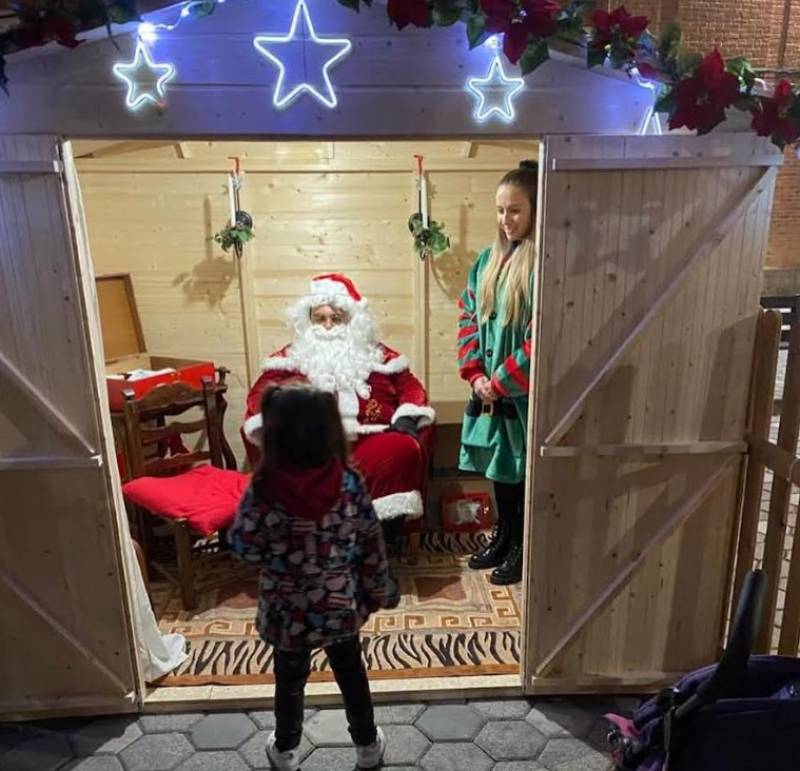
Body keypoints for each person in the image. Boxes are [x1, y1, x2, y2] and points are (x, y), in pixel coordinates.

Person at [228, 385, 389, 771]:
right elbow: (371, 541)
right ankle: (367, 744)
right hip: (338, 603)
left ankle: (285, 750)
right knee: (351, 672)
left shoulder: (264, 489)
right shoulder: (349, 482)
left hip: (287, 610)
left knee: (289, 679)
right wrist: (375, 589)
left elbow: (244, 546)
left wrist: (275, 555)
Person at [241, 273, 435, 586]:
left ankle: (376, 559)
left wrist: (407, 417)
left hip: (372, 440)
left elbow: (410, 387)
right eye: (320, 319)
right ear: (308, 321)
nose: (328, 326)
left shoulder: (380, 355)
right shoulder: (289, 359)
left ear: (352, 320)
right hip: (314, 446)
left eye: (337, 317)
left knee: (401, 449)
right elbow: (259, 397)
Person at [457, 160, 538, 586]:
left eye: (516, 210)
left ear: (535, 210)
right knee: (498, 467)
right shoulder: (487, 261)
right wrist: (475, 375)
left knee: (522, 471)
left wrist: (503, 381)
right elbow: (467, 316)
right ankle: (504, 536)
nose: (506, 219)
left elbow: (540, 336)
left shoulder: (541, 264)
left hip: (520, 394)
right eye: (501, 210)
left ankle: (524, 543)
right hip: (487, 390)